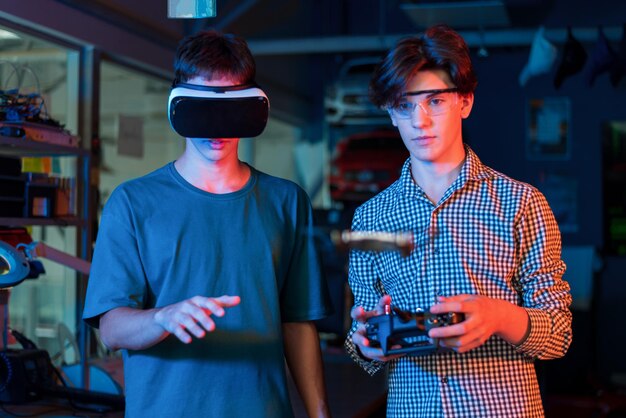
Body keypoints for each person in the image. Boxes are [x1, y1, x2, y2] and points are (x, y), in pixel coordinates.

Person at [83, 30, 333, 418]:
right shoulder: (132, 203)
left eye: (230, 107)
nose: (217, 129)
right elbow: (113, 329)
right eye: (203, 108)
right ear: (177, 106)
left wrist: (321, 416)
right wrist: (163, 317)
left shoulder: (287, 202)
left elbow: (297, 325)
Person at [345, 24, 572, 418]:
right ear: (391, 114)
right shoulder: (369, 218)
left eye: (435, 101)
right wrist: (365, 342)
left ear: (464, 101)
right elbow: (364, 344)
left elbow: (559, 333)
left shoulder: (522, 204)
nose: (420, 121)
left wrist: (499, 316)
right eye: (404, 105)